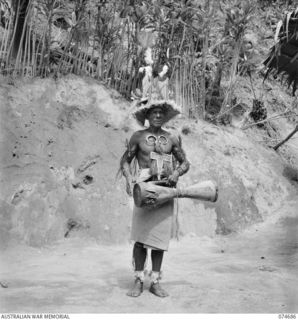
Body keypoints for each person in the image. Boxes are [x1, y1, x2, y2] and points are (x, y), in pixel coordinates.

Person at [119, 98, 190, 298]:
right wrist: (129, 177)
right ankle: (139, 280)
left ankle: (156, 281)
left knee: (159, 240)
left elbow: (185, 163)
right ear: (147, 116)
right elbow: (126, 160)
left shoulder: (172, 138)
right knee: (141, 239)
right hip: (144, 189)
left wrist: (176, 173)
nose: (158, 115)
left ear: (165, 116)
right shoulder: (138, 137)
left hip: (165, 190)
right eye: (153, 112)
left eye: (161, 112)